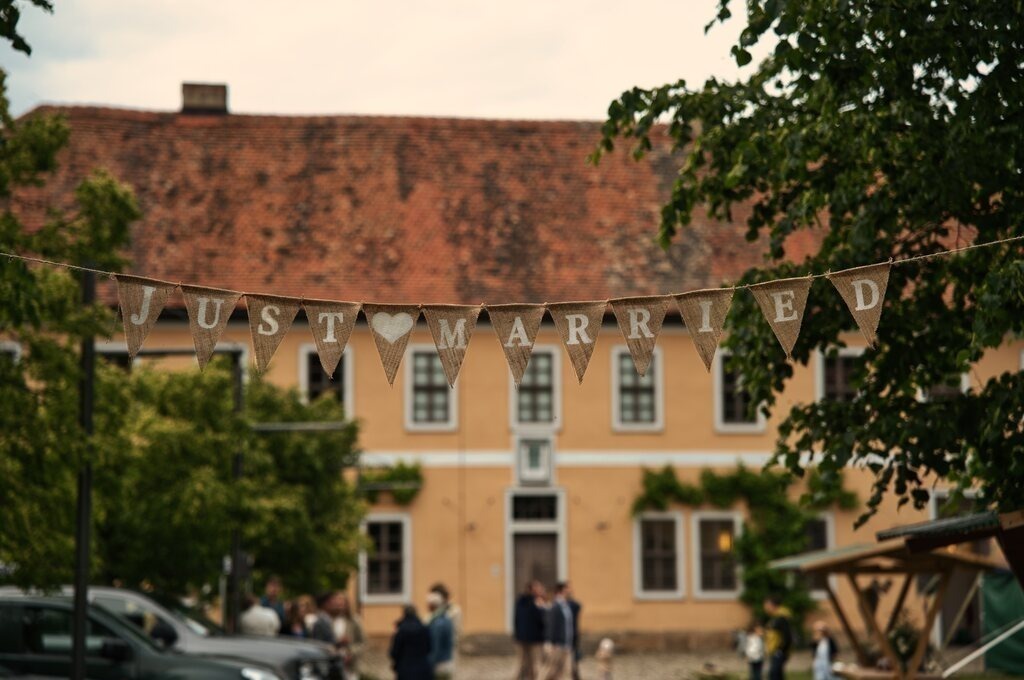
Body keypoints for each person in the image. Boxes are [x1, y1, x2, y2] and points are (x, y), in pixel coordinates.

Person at [389, 605, 433, 680]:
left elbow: (394, 651)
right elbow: (429, 647)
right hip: (423, 668)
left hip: (405, 668)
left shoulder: (401, 629)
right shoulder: (424, 628)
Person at [514, 580, 546, 680]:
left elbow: (516, 619)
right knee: (536, 663)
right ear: (533, 590)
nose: (541, 590)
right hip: (535, 638)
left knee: (523, 663)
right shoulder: (537, 603)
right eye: (539, 588)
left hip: (521, 637)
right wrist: (542, 608)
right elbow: (541, 619)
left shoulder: (520, 601)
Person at [544, 582, 576, 680]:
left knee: (567, 671)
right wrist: (551, 642)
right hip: (557, 644)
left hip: (567, 644)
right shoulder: (555, 606)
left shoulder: (566, 606)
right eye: (567, 589)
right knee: (551, 670)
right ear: (561, 591)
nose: (570, 591)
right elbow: (551, 625)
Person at [426, 591, 454, 679]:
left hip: (440, 664)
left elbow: (435, 645)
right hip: (446, 662)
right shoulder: (445, 617)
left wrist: (430, 663)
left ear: (432, 605)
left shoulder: (438, 622)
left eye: (428, 604)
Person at [764, 596, 793, 680]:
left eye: (766, 604)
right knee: (776, 675)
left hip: (778, 652)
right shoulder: (776, 617)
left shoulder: (781, 618)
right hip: (775, 651)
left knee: (774, 675)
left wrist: (780, 650)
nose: (765, 607)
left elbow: (787, 636)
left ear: (772, 605)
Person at [564, 582, 582, 680]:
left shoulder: (572, 604)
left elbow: (578, 607)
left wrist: (570, 597)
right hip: (565, 634)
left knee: (574, 656)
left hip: (573, 633)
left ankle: (575, 674)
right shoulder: (561, 604)